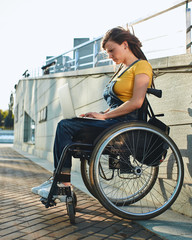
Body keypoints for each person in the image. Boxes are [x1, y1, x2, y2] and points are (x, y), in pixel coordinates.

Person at [32, 27, 154, 201]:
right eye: (108, 52)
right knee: (70, 125)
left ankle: (62, 184)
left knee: (65, 126)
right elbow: (116, 104)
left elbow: (136, 102)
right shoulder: (122, 70)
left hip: (124, 124)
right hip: (113, 121)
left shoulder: (142, 66)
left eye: (112, 50)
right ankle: (59, 180)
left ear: (125, 45)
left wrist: (104, 117)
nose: (110, 56)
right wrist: (98, 114)